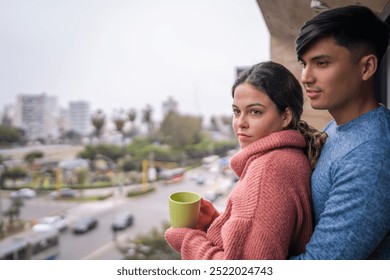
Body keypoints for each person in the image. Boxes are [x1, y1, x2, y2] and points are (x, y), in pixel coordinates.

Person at [164, 61, 327, 259]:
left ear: (285, 117)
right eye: (236, 111)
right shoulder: (287, 158)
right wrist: (215, 222)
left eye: (255, 111)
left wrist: (188, 241)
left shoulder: (268, 172)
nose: (241, 122)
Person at [292, 5, 390, 259]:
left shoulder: (370, 154)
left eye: (321, 63)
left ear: (367, 68)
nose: (305, 77)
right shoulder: (338, 127)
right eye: (304, 63)